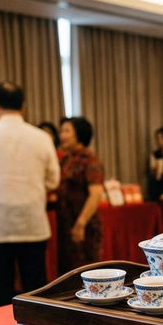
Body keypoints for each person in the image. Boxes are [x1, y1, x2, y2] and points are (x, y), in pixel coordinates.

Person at [0, 81, 60, 307]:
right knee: (35, 288)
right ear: (23, 106)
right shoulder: (41, 137)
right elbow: (53, 180)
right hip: (32, 221)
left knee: (0, 287)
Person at [57, 117, 105, 275]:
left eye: (67, 131)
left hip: (83, 224)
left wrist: (80, 224)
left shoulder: (90, 161)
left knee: (85, 270)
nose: (62, 135)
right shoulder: (65, 159)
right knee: (67, 272)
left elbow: (95, 194)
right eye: (61, 130)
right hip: (65, 222)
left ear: (79, 134)